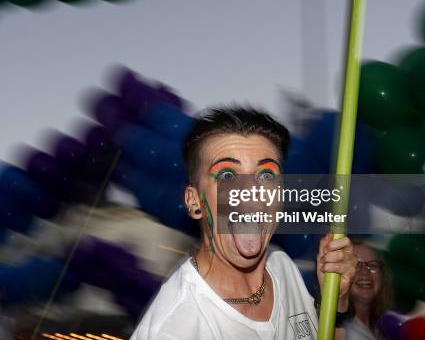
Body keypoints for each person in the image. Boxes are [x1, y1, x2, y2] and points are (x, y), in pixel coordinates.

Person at [131, 106, 357, 340]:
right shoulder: (175, 329)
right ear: (194, 201)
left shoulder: (281, 266)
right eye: (227, 176)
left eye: (266, 175)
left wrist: (336, 299)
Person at [341, 240, 393, 340]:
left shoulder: (386, 327)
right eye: (356, 265)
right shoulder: (335, 327)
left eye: (373, 265)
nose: (365, 272)